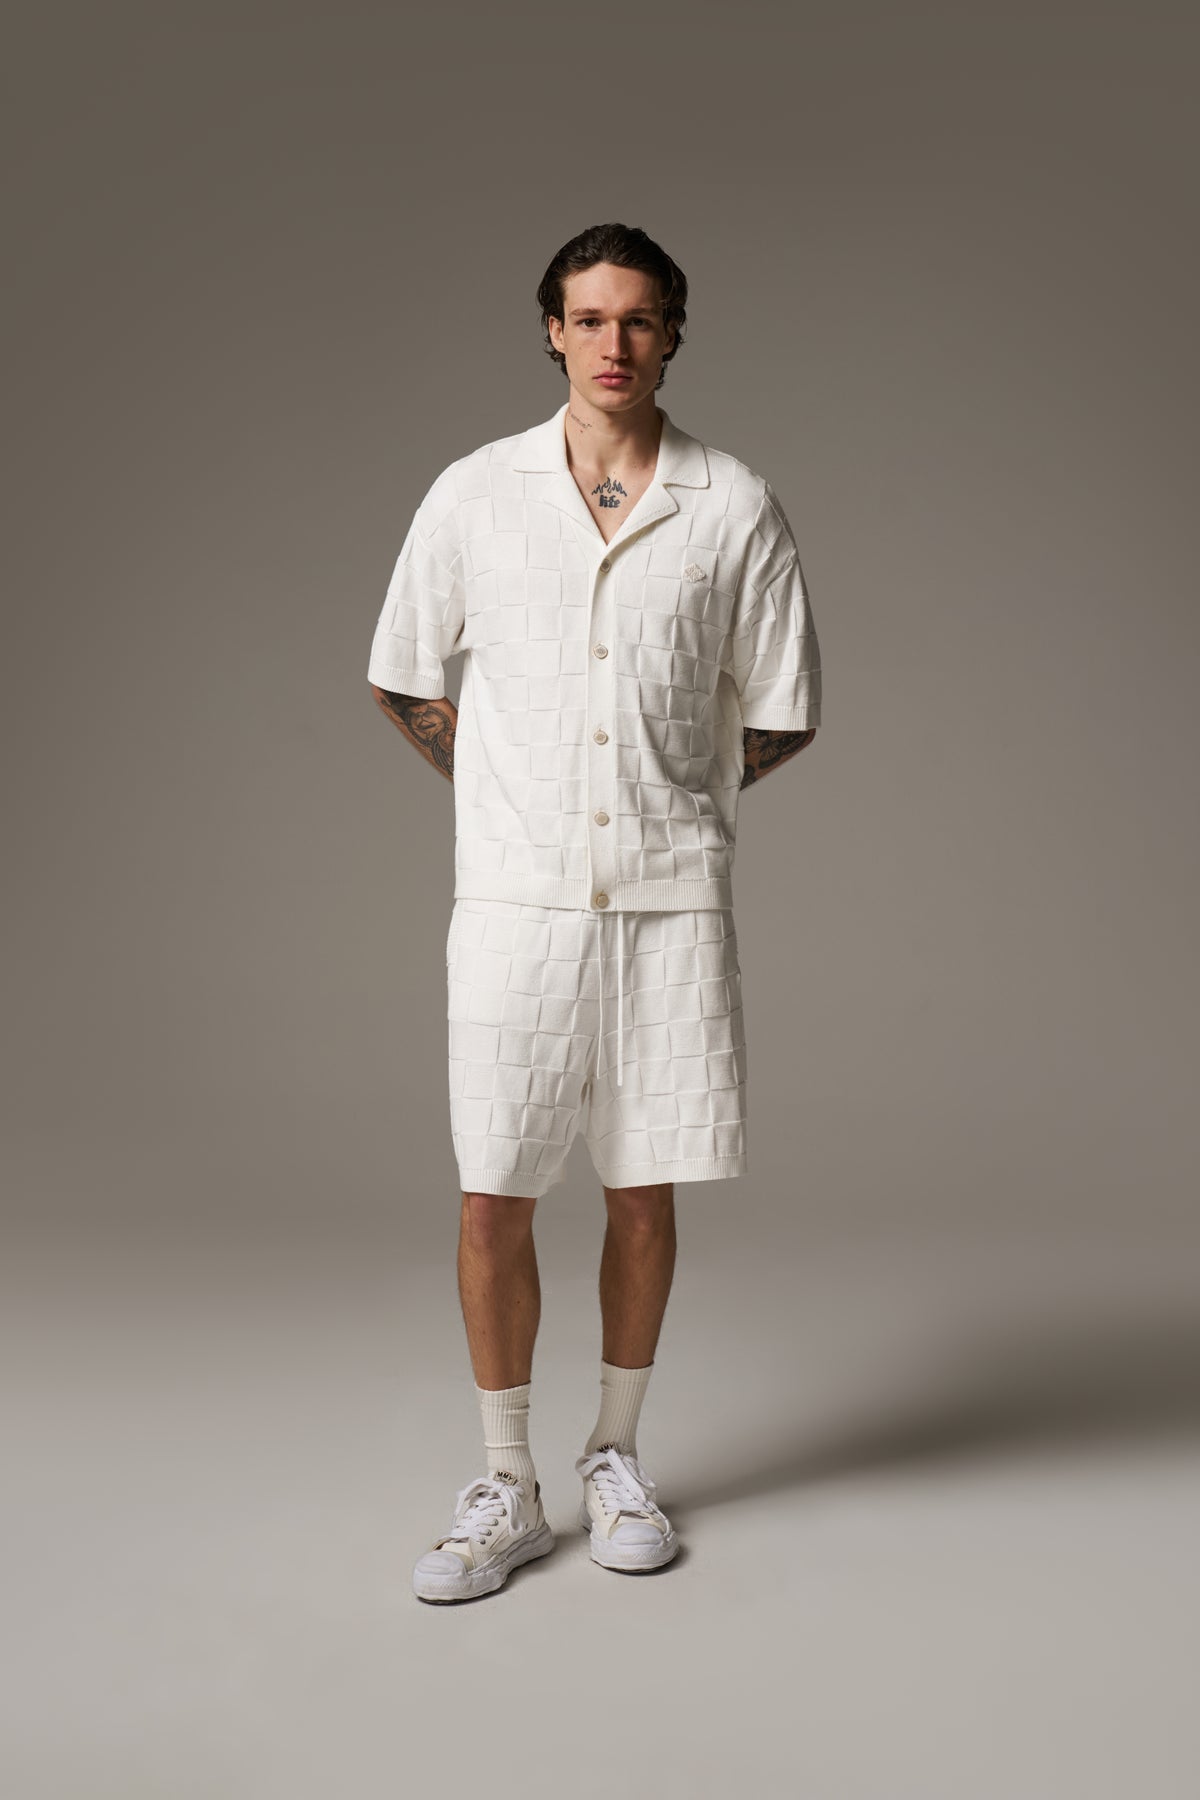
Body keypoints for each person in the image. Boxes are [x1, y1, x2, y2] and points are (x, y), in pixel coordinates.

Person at [367, 222, 822, 1604]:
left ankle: (616, 1453)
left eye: (638, 319)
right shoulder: (475, 494)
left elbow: (784, 704)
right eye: (588, 318)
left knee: (644, 1185)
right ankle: (505, 1482)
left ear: (673, 332)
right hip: (516, 904)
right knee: (492, 1189)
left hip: (672, 910)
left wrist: (681, 796)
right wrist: (510, 797)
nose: (612, 343)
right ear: (551, 333)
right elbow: (403, 671)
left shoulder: (731, 502)